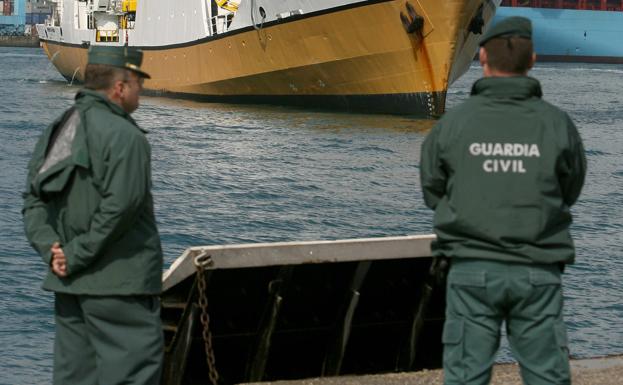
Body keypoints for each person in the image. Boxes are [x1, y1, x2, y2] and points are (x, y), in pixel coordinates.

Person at [420, 17, 586, 385]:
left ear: (481, 56)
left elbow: (432, 189)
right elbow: (570, 188)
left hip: (471, 269)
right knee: (547, 375)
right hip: (538, 269)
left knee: (465, 375)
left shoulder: (452, 125)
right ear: (533, 60)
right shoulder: (558, 125)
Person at [23, 46, 164, 385]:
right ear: (120, 87)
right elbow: (121, 209)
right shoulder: (128, 138)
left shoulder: (59, 129)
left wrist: (51, 249)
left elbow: (33, 200)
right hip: (118, 284)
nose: (140, 91)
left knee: (75, 377)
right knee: (134, 373)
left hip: (70, 287)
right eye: (137, 83)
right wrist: (73, 256)